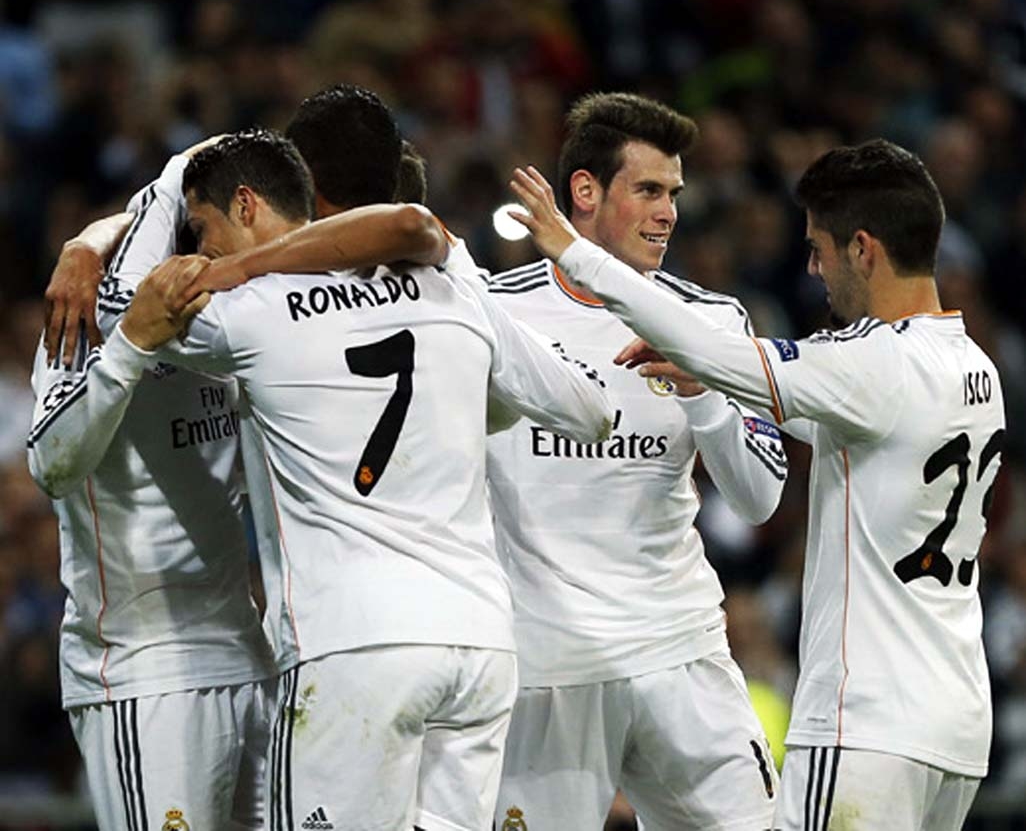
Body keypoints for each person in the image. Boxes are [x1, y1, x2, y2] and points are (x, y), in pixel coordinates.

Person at [118, 128, 613, 831]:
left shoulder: (251, 312)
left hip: (352, 642)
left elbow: (126, 309)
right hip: (478, 643)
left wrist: (145, 202)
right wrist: (469, 402)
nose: (203, 249)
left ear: (260, 202)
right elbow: (592, 412)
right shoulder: (455, 288)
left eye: (202, 229)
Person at [509, 138, 1005, 831]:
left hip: (866, 723)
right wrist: (708, 380)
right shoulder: (974, 366)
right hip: (955, 725)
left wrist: (575, 252)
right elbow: (785, 398)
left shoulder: (872, 365)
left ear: (863, 249)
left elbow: (716, 349)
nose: (813, 268)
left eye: (820, 249)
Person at [485, 92, 786, 831]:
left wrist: (703, 390)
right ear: (585, 191)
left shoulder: (710, 320)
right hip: (551, 663)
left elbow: (759, 498)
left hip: (681, 651)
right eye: (649, 190)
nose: (668, 213)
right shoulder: (495, 314)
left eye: (673, 194)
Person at [27, 140, 279, 831]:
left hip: (248, 653)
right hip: (143, 673)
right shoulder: (87, 320)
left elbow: (217, 153)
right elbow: (51, 464)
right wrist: (131, 344)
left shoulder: (232, 322)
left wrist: (86, 239)